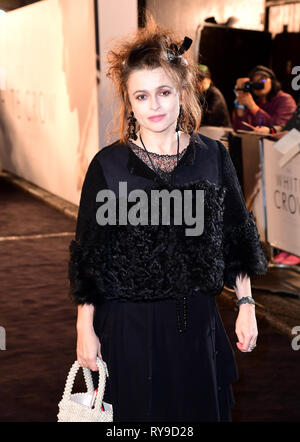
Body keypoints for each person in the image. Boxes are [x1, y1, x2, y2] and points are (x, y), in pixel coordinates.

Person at [68, 18, 268, 422]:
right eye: (141, 96)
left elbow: (237, 235)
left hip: (196, 323)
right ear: (129, 100)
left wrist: (245, 302)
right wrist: (83, 328)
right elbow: (91, 256)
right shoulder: (108, 166)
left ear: (182, 91)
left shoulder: (212, 156)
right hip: (127, 327)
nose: (154, 106)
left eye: (163, 92)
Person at [246, 101, 300, 265]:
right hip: (292, 145)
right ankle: (287, 245)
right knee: (284, 199)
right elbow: (291, 126)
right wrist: (273, 131)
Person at [232, 65, 297, 132]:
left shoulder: (285, 100)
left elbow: (278, 128)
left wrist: (253, 107)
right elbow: (241, 131)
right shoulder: (254, 101)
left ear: (272, 81)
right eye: (255, 81)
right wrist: (240, 106)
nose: (259, 83)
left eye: (263, 79)